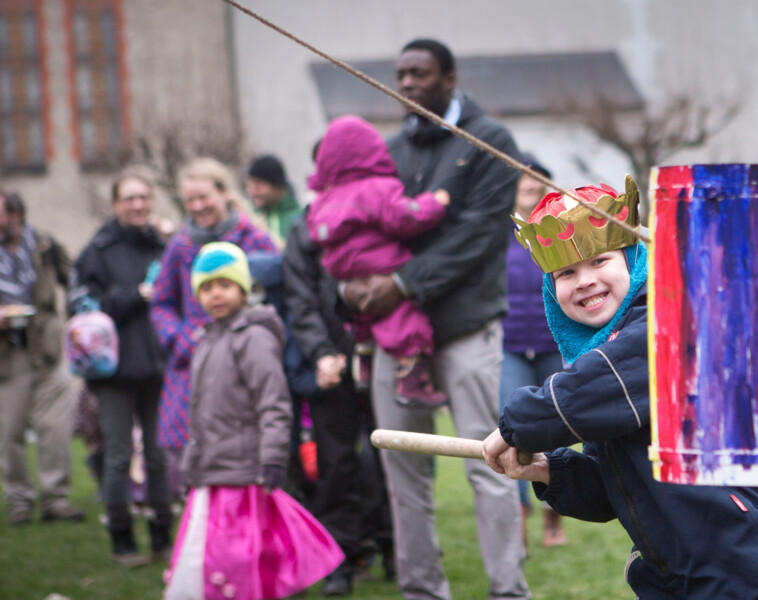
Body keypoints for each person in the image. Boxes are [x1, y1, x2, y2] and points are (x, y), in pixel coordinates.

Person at [483, 179, 758, 599]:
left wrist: (516, 423)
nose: (584, 281)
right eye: (567, 272)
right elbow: (618, 490)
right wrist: (551, 470)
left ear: (633, 261)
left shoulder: (666, 328)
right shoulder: (603, 360)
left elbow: (584, 391)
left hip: (742, 568)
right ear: (552, 292)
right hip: (677, 575)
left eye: (599, 261)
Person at [344, 38, 530, 600]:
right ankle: (422, 591)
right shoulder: (389, 149)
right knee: (404, 477)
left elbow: (479, 234)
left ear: (449, 79)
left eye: (419, 73)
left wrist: (400, 282)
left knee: (491, 465)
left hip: (467, 330)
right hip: (396, 338)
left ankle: (508, 590)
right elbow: (367, 226)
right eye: (399, 74)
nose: (406, 83)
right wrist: (352, 280)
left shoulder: (490, 140)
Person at [164, 242, 342, 600]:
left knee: (244, 562)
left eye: (225, 285)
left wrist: (273, 458)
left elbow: (273, 404)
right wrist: (191, 465)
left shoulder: (254, 338)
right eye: (207, 287)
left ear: (244, 288)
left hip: (245, 474)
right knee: (212, 564)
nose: (216, 294)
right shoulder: (207, 341)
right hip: (212, 474)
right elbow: (199, 417)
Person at [150, 158, 277, 500]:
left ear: (224, 193)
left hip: (244, 358)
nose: (197, 206)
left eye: (204, 197)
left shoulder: (254, 239)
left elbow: (275, 294)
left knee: (243, 450)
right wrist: (179, 338)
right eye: (190, 200)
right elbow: (161, 302)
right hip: (191, 360)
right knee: (187, 456)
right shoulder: (179, 246)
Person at [284, 201, 394, 596]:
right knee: (334, 463)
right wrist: (322, 353)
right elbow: (302, 301)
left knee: (390, 457)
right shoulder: (303, 232)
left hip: (380, 353)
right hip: (331, 364)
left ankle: (393, 547)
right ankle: (339, 560)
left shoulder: (378, 215)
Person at [306, 115, 450, 406]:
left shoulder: (324, 197)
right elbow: (405, 217)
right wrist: (435, 203)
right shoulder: (376, 188)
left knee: (365, 318)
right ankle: (412, 381)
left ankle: (364, 367)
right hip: (379, 264)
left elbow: (314, 231)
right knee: (406, 318)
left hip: (345, 271)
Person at [72, 168, 173, 566]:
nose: (137, 205)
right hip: (112, 373)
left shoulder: (161, 245)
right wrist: (136, 296)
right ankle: (123, 542)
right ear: (115, 204)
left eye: (143, 197)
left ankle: (162, 538)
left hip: (157, 366)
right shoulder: (97, 250)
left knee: (158, 457)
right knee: (116, 457)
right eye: (129, 198)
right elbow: (82, 307)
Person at [0, 191, 85, 526]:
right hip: (8, 357)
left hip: (47, 350)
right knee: (10, 432)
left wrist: (78, 319)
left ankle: (56, 500)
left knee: (55, 428)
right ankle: (19, 501)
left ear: (17, 214)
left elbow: (76, 280)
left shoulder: (45, 245)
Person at [499, 153, 567, 548]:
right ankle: (518, 513)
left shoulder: (557, 230)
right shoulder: (497, 231)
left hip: (549, 344)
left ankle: (553, 515)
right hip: (508, 346)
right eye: (523, 177)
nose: (531, 183)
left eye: (538, 177)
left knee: (555, 425)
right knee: (513, 426)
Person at [245, 154, 303, 244]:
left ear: (276, 187)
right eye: (249, 186)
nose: (252, 192)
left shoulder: (299, 218)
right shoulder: (248, 218)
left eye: (258, 185)